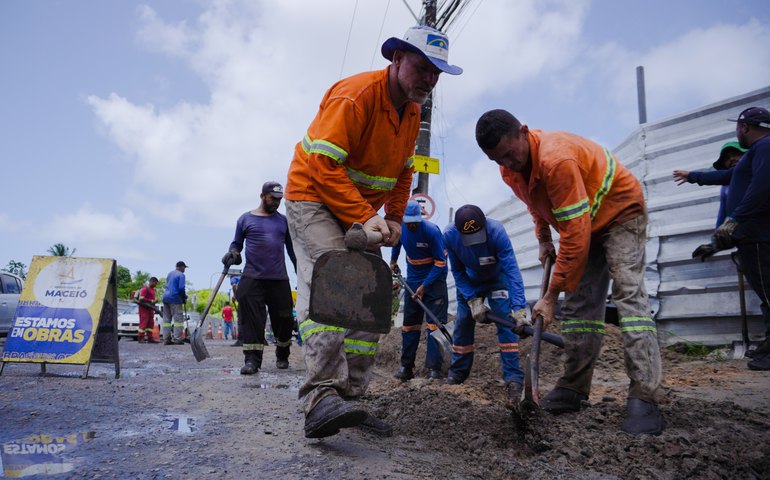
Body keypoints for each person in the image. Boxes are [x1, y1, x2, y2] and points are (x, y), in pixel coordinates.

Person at [284, 25, 462, 439]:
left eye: (438, 73)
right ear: (397, 59)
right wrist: (365, 216)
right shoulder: (357, 96)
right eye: (424, 67)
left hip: (355, 209)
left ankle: (349, 397)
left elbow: (404, 173)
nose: (430, 80)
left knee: (371, 293)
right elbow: (323, 167)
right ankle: (319, 398)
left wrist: (395, 218)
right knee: (332, 284)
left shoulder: (413, 111)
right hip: (312, 197)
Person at [476, 109, 664, 436]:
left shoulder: (556, 159)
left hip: (620, 211)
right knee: (579, 307)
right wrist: (544, 240)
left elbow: (577, 234)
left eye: (509, 154)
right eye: (498, 160)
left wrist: (549, 297)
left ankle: (644, 394)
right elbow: (536, 202)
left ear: (523, 131)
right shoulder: (511, 170)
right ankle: (574, 388)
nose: (507, 163)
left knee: (628, 294)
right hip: (583, 218)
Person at [689, 107, 770, 371]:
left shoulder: (764, 147)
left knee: (769, 295)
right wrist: (692, 176)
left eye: (738, 127)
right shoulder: (756, 154)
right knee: (766, 295)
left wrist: (736, 218)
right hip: (750, 236)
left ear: (744, 127)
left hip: (759, 236)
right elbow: (722, 176)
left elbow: (763, 186)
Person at [442, 205, 527, 405]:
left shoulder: (496, 231)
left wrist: (519, 308)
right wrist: (472, 299)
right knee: (463, 324)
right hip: (469, 283)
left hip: (497, 279)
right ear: (458, 231)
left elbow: (512, 270)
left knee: (507, 324)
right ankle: (457, 374)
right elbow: (458, 271)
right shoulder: (449, 235)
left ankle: (513, 378)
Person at [222, 181, 298, 376]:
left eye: (279, 200)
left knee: (285, 319)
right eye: (273, 198)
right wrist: (233, 254)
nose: (276, 203)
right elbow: (236, 244)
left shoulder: (283, 222)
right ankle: (252, 361)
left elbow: (291, 250)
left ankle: (282, 354)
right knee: (252, 321)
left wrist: (300, 270)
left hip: (279, 278)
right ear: (262, 196)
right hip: (253, 277)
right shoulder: (245, 219)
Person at [390, 199, 449, 381]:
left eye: (415, 222)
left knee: (434, 326)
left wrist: (425, 286)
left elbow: (440, 262)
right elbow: (397, 243)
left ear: (420, 218)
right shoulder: (401, 228)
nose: (412, 226)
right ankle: (406, 367)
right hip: (414, 280)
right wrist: (393, 260)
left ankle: (434, 370)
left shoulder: (432, 231)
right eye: (409, 223)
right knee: (410, 326)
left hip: (435, 280)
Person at [672, 141, 747, 228]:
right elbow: (722, 214)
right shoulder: (726, 187)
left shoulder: (751, 169)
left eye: (735, 153)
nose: (731, 159)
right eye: (727, 158)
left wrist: (691, 176)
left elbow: (722, 175)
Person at [162, 261, 188, 345]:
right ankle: (177, 339)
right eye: (184, 267)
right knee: (178, 320)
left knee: (166, 320)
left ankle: (166, 339)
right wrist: (184, 297)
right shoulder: (181, 275)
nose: (184, 269)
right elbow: (181, 288)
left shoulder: (170, 274)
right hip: (175, 298)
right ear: (181, 267)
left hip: (165, 298)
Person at [137, 277, 160, 344]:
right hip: (144, 309)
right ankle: (140, 338)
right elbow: (141, 299)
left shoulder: (152, 290)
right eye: (155, 283)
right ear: (152, 281)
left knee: (150, 324)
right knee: (143, 323)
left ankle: (150, 338)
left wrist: (154, 301)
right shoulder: (145, 289)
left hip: (150, 309)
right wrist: (152, 301)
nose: (156, 284)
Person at [229, 275, 242, 347]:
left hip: (242, 299)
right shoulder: (243, 278)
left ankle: (241, 340)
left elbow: (234, 286)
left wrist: (235, 296)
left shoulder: (233, 279)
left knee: (240, 320)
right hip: (250, 298)